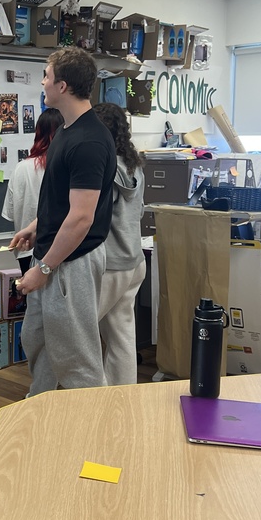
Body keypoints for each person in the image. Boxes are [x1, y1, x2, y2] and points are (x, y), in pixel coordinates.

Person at [13, 48, 116, 396]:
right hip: (54, 256)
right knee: (38, 342)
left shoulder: (88, 140)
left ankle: (90, 437)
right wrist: (36, 226)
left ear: (63, 84)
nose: (42, 82)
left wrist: (42, 268)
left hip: (72, 263)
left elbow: (81, 218)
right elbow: (62, 201)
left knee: (77, 360)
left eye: (46, 75)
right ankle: (41, 414)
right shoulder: (67, 131)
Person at [93, 103, 146, 386]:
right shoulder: (135, 166)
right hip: (135, 261)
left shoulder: (105, 168)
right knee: (122, 333)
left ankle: (93, 395)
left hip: (111, 265)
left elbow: (94, 218)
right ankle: (123, 397)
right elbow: (137, 213)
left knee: (82, 331)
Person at [1, 108, 64, 275]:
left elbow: (11, 214)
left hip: (25, 250)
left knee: (32, 300)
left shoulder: (21, 168)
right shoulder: (66, 167)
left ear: (37, 133)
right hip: (58, 251)